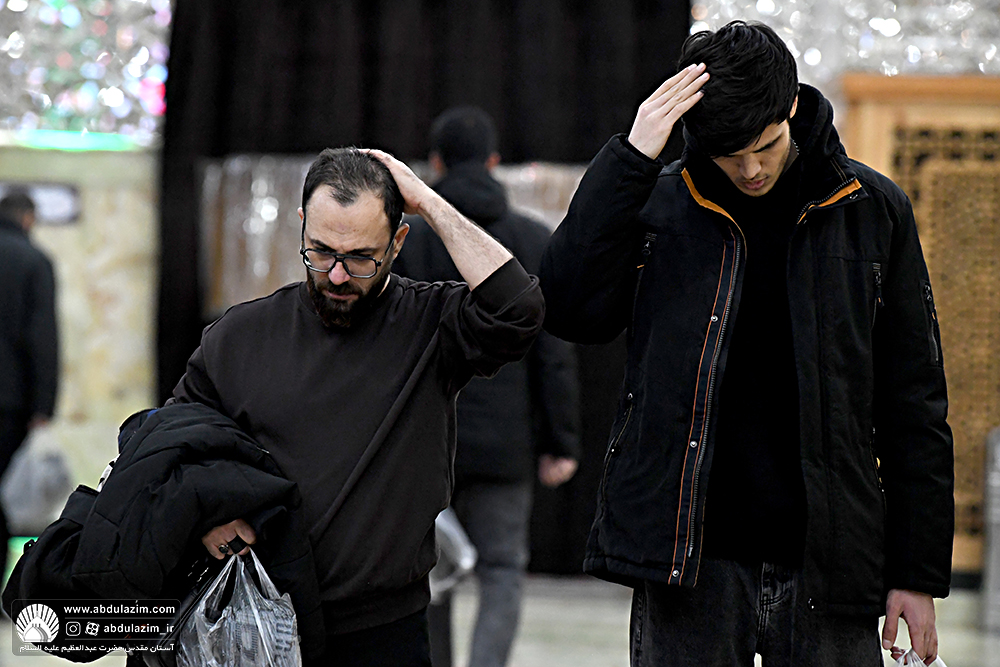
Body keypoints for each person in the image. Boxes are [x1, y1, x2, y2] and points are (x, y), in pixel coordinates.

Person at [539, 21, 954, 667]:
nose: (751, 169)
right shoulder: (660, 204)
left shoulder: (871, 208)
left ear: (792, 106)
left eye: (765, 146)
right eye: (730, 155)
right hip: (689, 562)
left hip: (830, 560)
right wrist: (630, 158)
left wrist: (916, 572)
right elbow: (568, 308)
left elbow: (915, 403)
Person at [169, 147, 544, 666]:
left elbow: (519, 309)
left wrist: (429, 202)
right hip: (260, 623)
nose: (339, 275)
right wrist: (206, 516)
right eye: (321, 252)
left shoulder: (431, 323)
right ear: (301, 227)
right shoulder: (239, 336)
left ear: (398, 242)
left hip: (385, 630)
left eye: (362, 257)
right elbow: (172, 445)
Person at [393, 107, 581, 667]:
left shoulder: (408, 241)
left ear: (435, 163)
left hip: (425, 444)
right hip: (506, 446)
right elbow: (553, 356)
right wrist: (561, 442)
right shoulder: (532, 239)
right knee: (501, 571)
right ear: (494, 161)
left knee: (428, 572)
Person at [0, 190, 59, 578]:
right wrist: (43, 405)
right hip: (8, 402)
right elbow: (40, 336)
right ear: (28, 219)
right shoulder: (33, 260)